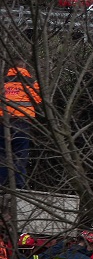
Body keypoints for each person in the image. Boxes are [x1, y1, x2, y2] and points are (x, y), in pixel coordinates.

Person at [1, 60, 41, 189]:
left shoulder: (3, 82)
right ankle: (18, 186)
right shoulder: (31, 83)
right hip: (22, 122)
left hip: (2, 122)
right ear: (25, 68)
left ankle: (1, 183)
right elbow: (38, 100)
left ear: (11, 67)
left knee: (2, 154)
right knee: (20, 154)